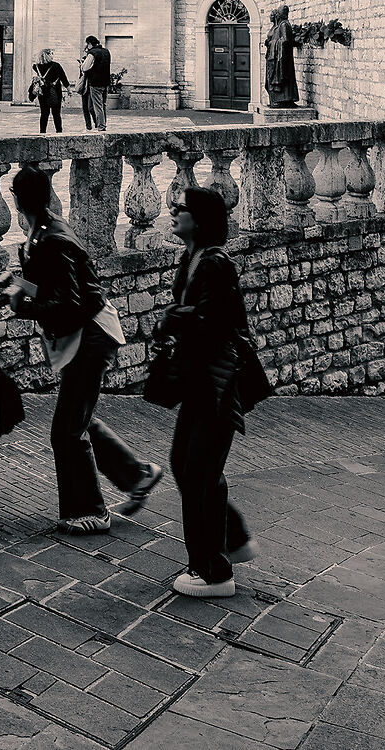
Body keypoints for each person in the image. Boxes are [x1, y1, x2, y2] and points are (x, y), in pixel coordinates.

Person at [0, 166, 156, 536]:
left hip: (90, 336)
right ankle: (137, 474)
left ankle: (91, 511)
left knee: (65, 431)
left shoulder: (52, 238)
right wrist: (14, 283)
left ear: (16, 199)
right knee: (78, 418)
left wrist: (22, 306)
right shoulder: (43, 231)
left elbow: (69, 304)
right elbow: (51, 285)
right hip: (84, 335)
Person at [161, 187, 263, 597]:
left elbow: (211, 323)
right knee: (187, 463)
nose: (172, 211)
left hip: (219, 384)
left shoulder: (214, 265)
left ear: (198, 219)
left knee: (198, 471)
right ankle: (228, 542)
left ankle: (213, 571)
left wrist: (170, 321)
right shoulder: (192, 259)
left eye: (180, 208)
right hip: (202, 382)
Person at [32, 49, 71, 133]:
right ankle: (59, 131)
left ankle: (42, 131)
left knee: (44, 113)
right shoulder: (56, 66)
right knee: (56, 113)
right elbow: (64, 78)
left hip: (43, 92)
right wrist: (69, 90)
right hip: (55, 91)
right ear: (47, 55)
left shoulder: (36, 66)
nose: (53, 55)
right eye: (51, 54)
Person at [80, 37, 113, 131]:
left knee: (97, 106)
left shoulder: (92, 53)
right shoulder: (106, 51)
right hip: (105, 82)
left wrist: (82, 64)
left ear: (89, 44)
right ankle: (102, 123)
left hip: (95, 83)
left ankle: (101, 126)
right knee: (101, 105)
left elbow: (85, 68)